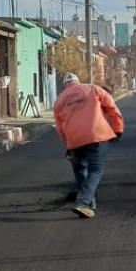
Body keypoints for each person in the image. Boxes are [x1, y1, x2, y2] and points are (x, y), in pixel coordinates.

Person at [53, 73, 124, 218]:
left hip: (74, 139)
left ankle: (89, 202)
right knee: (95, 169)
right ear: (78, 81)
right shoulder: (93, 89)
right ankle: (84, 202)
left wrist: (67, 145)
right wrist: (118, 129)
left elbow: (59, 127)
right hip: (96, 134)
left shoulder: (59, 100)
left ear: (65, 85)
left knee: (80, 169)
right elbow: (112, 108)